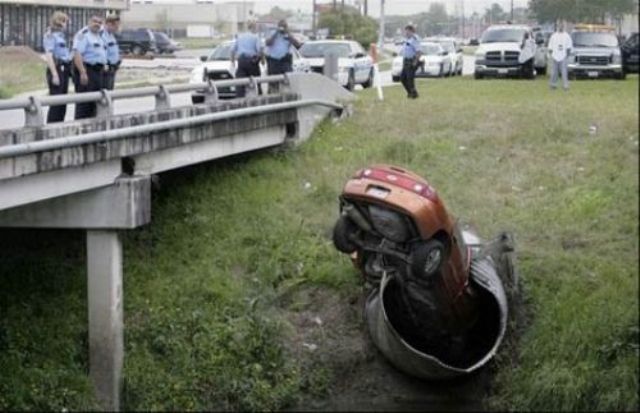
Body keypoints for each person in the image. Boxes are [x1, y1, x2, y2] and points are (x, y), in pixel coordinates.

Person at [72, 14, 108, 119]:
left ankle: (90, 127)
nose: (97, 24)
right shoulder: (84, 35)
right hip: (87, 71)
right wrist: (83, 72)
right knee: (84, 104)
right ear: (89, 22)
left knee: (94, 103)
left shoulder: (99, 36)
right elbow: (77, 54)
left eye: (99, 22)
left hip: (98, 72)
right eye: (95, 21)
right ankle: (80, 127)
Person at [43, 11, 72, 123]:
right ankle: (52, 127)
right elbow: (49, 55)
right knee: (56, 103)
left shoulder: (61, 36)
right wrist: (54, 74)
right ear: (58, 21)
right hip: (57, 69)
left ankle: (60, 125)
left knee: (62, 103)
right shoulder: (50, 35)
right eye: (64, 21)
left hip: (64, 69)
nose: (65, 24)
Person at [265, 19, 301, 92]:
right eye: (281, 26)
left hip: (284, 61)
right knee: (273, 83)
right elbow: (268, 43)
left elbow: (297, 45)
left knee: (288, 80)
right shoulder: (273, 34)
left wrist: (288, 34)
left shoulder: (288, 35)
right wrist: (276, 33)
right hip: (273, 61)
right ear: (278, 27)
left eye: (284, 26)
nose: (282, 28)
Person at [231, 21, 262, 97]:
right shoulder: (255, 37)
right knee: (256, 81)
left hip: (241, 61)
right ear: (253, 28)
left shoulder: (240, 37)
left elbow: (232, 50)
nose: (257, 30)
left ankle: (240, 99)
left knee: (240, 82)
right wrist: (262, 60)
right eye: (256, 28)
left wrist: (233, 61)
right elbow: (259, 50)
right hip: (252, 61)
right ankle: (259, 97)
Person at [548, 21, 573, 91]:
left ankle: (565, 86)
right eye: (559, 26)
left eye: (562, 26)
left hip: (563, 56)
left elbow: (569, 48)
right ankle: (553, 85)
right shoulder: (553, 36)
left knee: (564, 72)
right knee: (554, 72)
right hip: (555, 56)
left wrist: (566, 56)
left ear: (564, 27)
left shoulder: (567, 36)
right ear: (557, 26)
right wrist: (552, 55)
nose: (561, 27)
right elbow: (550, 47)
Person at [400, 24, 421, 99]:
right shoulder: (407, 40)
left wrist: (415, 61)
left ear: (412, 32)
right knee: (402, 78)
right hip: (405, 61)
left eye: (407, 32)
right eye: (405, 32)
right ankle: (410, 92)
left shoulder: (414, 40)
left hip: (411, 61)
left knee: (410, 79)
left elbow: (418, 52)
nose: (406, 33)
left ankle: (414, 94)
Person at [102, 12, 121, 91]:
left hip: (113, 68)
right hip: (106, 70)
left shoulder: (111, 36)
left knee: (110, 93)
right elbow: (102, 53)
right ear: (109, 24)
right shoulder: (102, 35)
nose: (117, 28)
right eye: (116, 26)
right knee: (105, 93)